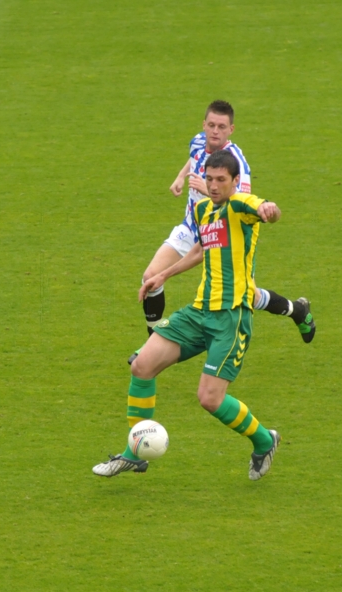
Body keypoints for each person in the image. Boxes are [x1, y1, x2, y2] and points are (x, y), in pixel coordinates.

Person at [94, 150, 282, 480]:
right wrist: (163, 275)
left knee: (209, 399)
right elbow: (199, 249)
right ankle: (134, 454)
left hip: (230, 318)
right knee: (142, 365)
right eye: (209, 179)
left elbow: (265, 209)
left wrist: (270, 210)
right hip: (199, 312)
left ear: (235, 181)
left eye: (221, 180)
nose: (213, 186)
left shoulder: (240, 206)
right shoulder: (202, 210)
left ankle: (265, 441)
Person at [139, 100, 315, 350]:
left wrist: (206, 189)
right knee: (150, 277)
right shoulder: (198, 140)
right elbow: (193, 157)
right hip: (192, 227)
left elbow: (240, 205)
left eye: (221, 127)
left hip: (224, 237)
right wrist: (181, 177)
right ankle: (152, 343)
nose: (215, 131)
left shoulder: (238, 164)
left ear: (231, 129)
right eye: (211, 125)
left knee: (248, 297)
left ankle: (297, 310)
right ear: (204, 125)